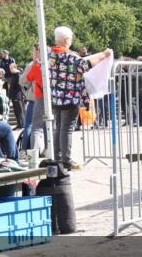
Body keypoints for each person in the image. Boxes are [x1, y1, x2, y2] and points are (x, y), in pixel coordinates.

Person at [48, 26, 113, 173]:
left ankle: (58, 158)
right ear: (66, 40)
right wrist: (104, 54)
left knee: (59, 127)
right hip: (70, 97)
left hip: (56, 97)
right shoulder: (70, 56)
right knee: (67, 128)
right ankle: (66, 160)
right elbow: (86, 65)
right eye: (70, 38)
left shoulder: (51, 54)